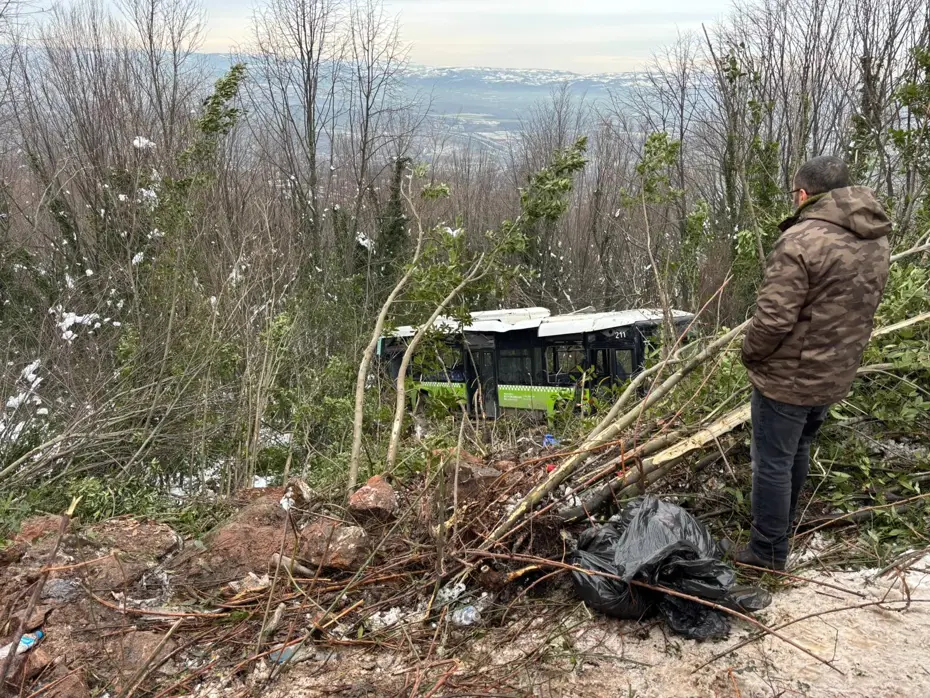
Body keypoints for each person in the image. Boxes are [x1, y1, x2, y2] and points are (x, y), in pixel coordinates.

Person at [734, 156, 891, 570]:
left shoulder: (802, 240)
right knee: (798, 448)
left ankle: (767, 552)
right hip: (835, 370)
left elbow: (773, 319)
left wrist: (750, 353)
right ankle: (782, 528)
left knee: (772, 462)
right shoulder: (875, 237)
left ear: (803, 194)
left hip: (789, 376)